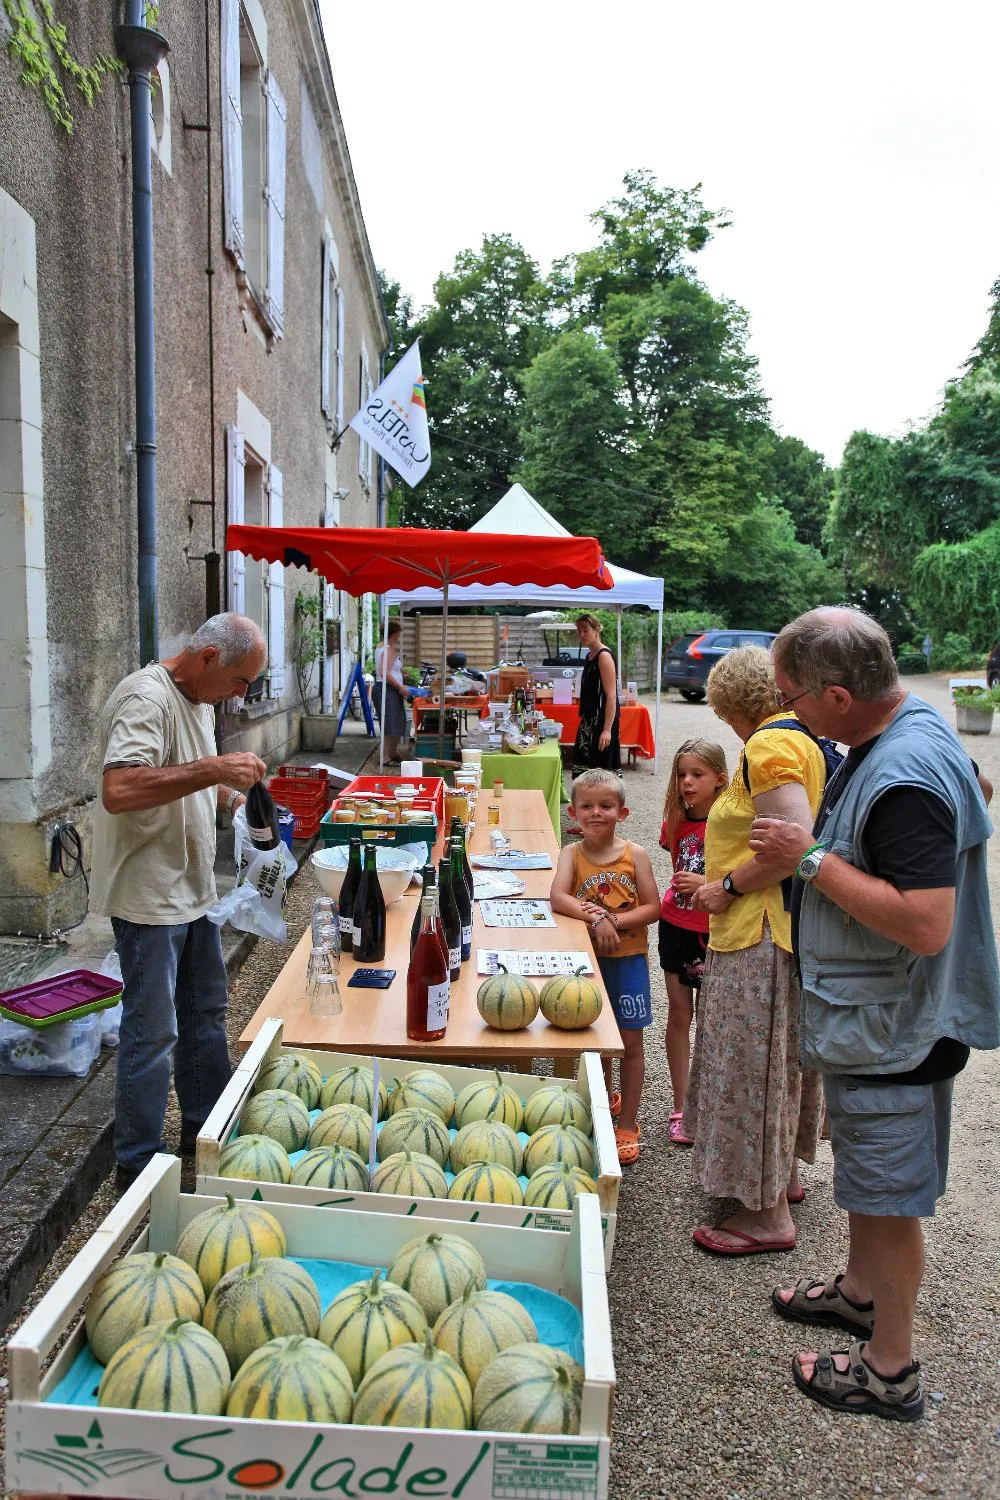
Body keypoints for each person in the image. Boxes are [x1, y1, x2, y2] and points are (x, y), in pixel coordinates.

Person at [750, 607, 1000, 1422]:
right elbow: (976, 790)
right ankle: (859, 1294)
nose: (787, 713)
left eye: (793, 699)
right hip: (881, 1018)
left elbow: (926, 924)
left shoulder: (903, 776)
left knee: (890, 1200)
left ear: (837, 695)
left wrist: (809, 859)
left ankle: (890, 1370)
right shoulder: (907, 723)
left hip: (896, 1028)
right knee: (869, 1181)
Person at [89, 614, 268, 1189]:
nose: (243, 696)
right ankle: (137, 1164)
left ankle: (206, 1130)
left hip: (192, 889)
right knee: (153, 1029)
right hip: (148, 896)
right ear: (210, 657)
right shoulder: (145, 698)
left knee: (205, 1013)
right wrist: (216, 768)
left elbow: (179, 774)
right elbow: (120, 789)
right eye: (242, 681)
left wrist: (225, 798)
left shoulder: (202, 702)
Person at [685, 645, 825, 1253]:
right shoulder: (800, 738)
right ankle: (779, 1176)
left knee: (752, 1063)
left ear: (732, 703)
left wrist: (725, 887)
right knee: (778, 1058)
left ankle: (766, 1217)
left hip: (758, 929)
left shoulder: (768, 746)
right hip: (776, 928)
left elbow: (791, 844)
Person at [551, 769, 660, 1163]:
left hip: (628, 962)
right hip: (588, 966)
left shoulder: (636, 855)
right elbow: (558, 897)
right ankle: (606, 1100)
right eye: (587, 806)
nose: (596, 813)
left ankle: (628, 1123)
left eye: (606, 806)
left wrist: (613, 921)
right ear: (573, 812)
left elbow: (653, 907)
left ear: (623, 812)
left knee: (631, 1044)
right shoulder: (571, 854)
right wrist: (596, 918)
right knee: (595, 1041)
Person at [658, 739, 728, 1145]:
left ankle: (713, 1105)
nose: (687, 782)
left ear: (719, 779)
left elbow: (743, 875)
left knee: (714, 1019)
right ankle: (682, 1104)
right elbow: (676, 860)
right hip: (676, 926)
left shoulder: (731, 822)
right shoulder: (675, 820)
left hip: (717, 929)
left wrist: (707, 883)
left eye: (697, 775)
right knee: (679, 1014)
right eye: (682, 774)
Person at [572, 614, 620, 776]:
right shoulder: (590, 656)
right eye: (579, 631)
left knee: (601, 771)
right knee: (585, 767)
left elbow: (611, 696)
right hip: (588, 720)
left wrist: (607, 730)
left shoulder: (604, 656)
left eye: (585, 630)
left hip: (601, 722)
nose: (581, 635)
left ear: (596, 630)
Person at [375, 619, 416, 764]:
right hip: (388, 690)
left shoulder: (381, 647)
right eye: (398, 634)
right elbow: (384, 672)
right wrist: (400, 686)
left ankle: (392, 753)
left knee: (397, 722)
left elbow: (387, 669)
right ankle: (385, 756)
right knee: (390, 723)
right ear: (393, 634)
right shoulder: (388, 649)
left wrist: (401, 673)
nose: (399, 637)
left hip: (386, 689)